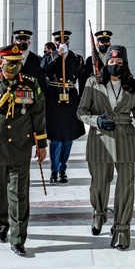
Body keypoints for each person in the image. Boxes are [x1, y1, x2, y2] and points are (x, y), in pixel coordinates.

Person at [77, 44, 135, 250]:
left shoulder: (133, 86)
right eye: (111, 62)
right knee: (99, 182)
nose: (115, 65)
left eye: (119, 62)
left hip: (125, 139)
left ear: (125, 64)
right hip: (100, 138)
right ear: (105, 63)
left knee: (126, 187)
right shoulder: (93, 83)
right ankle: (99, 214)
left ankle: (122, 230)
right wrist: (96, 121)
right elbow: (81, 111)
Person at [0, 44, 48, 256]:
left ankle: (18, 237)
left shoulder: (31, 85)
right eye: (9, 62)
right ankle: (1, 225)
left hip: (21, 147)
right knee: (0, 190)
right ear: (0, 62)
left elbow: (38, 115)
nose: (13, 66)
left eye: (17, 63)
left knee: (19, 194)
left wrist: (41, 145)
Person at [40, 30, 86, 183]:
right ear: (55, 44)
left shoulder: (77, 59)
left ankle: (62, 168)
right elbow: (43, 69)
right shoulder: (50, 57)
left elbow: (83, 80)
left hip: (71, 99)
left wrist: (83, 102)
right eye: (59, 42)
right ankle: (54, 170)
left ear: (68, 42)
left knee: (68, 138)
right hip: (54, 98)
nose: (63, 44)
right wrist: (56, 55)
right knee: (56, 138)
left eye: (65, 42)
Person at [80, 29, 112, 95]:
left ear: (110, 43)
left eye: (107, 42)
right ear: (97, 44)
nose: (105, 44)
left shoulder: (112, 59)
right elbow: (85, 78)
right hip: (95, 91)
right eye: (102, 42)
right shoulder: (90, 59)